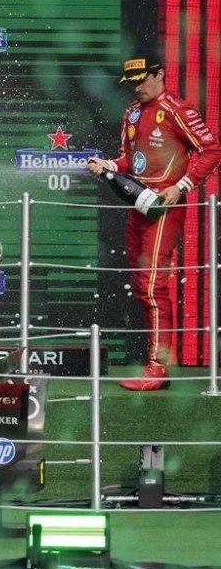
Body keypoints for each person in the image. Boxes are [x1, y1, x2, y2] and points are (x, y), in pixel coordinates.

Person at [87, 51, 221, 391]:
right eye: (131, 83)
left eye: (143, 79)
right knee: (144, 288)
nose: (137, 88)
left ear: (160, 73)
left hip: (165, 208)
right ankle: (156, 364)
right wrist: (108, 167)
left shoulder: (178, 110)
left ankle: (158, 367)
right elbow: (130, 162)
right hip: (139, 207)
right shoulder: (132, 113)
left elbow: (212, 150)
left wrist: (182, 186)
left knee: (152, 286)